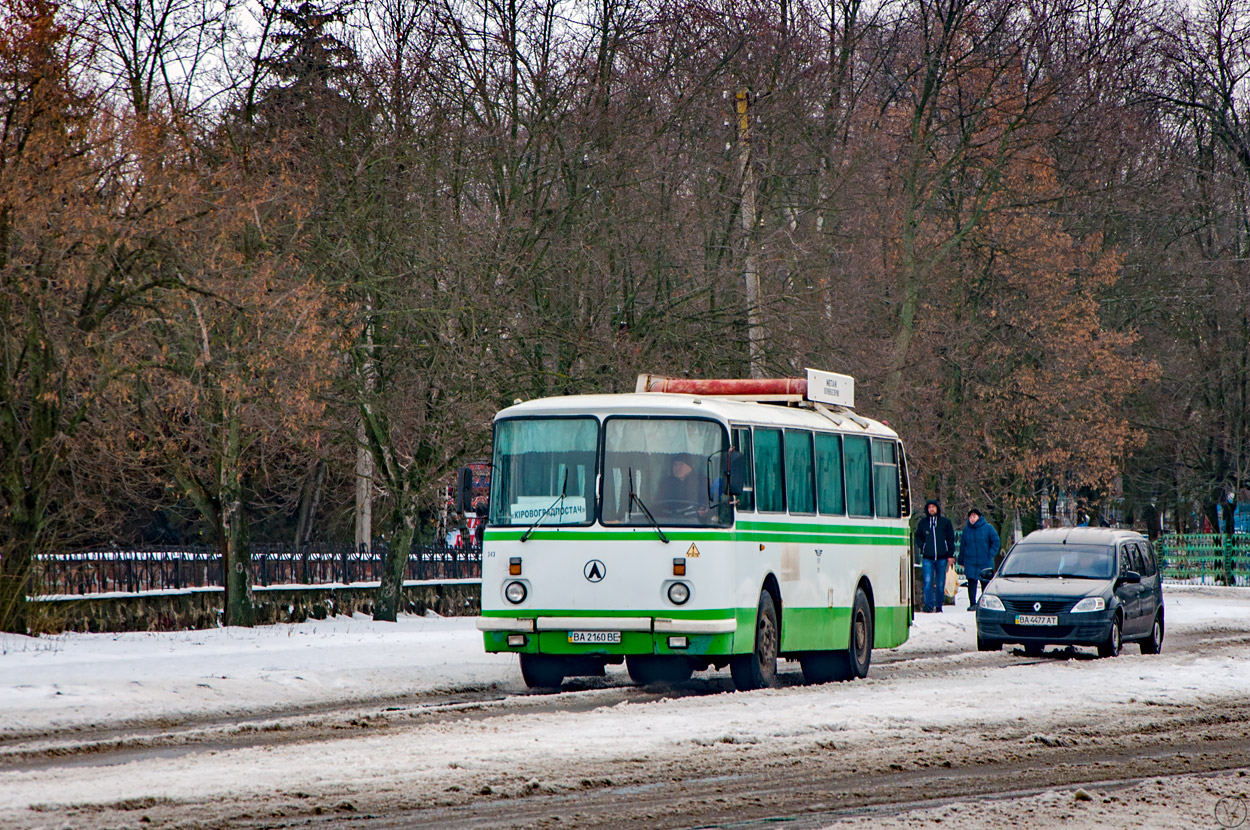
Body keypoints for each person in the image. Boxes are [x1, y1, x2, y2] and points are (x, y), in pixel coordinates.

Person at [914, 499, 955, 613]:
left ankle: (939, 605)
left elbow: (950, 538)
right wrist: (923, 547)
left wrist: (950, 554)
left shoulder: (945, 522)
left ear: (937, 508)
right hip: (928, 558)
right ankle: (928, 605)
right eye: (929, 507)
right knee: (928, 582)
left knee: (940, 583)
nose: (931, 509)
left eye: (933, 507)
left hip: (942, 557)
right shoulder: (923, 523)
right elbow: (918, 537)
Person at [957, 508, 1000, 610]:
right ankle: (972, 604)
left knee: (985, 584)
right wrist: (961, 560)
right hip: (970, 561)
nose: (972, 519)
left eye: (974, 516)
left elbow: (996, 542)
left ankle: (985, 604)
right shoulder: (966, 530)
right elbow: (963, 546)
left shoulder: (988, 528)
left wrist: (990, 554)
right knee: (971, 583)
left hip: (985, 562)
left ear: (979, 517)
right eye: (970, 517)